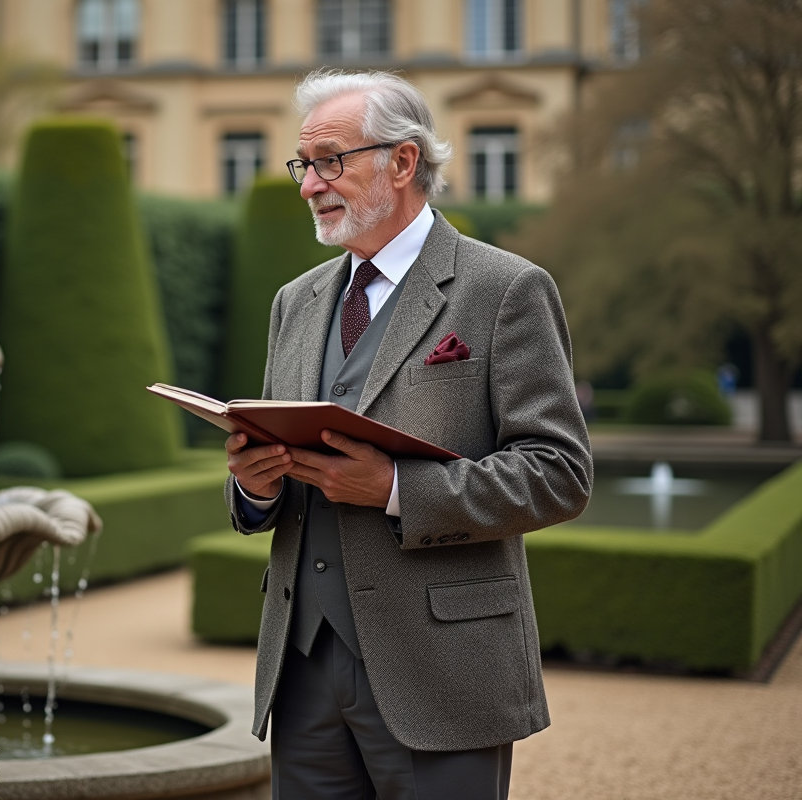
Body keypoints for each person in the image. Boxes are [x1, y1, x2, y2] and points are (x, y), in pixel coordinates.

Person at [223, 69, 593, 799]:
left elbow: (559, 473)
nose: (308, 185)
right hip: (300, 669)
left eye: (331, 160)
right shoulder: (293, 303)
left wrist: (396, 488)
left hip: (444, 673)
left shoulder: (504, 289)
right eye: (305, 165)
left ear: (403, 161)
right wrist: (251, 486)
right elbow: (275, 456)